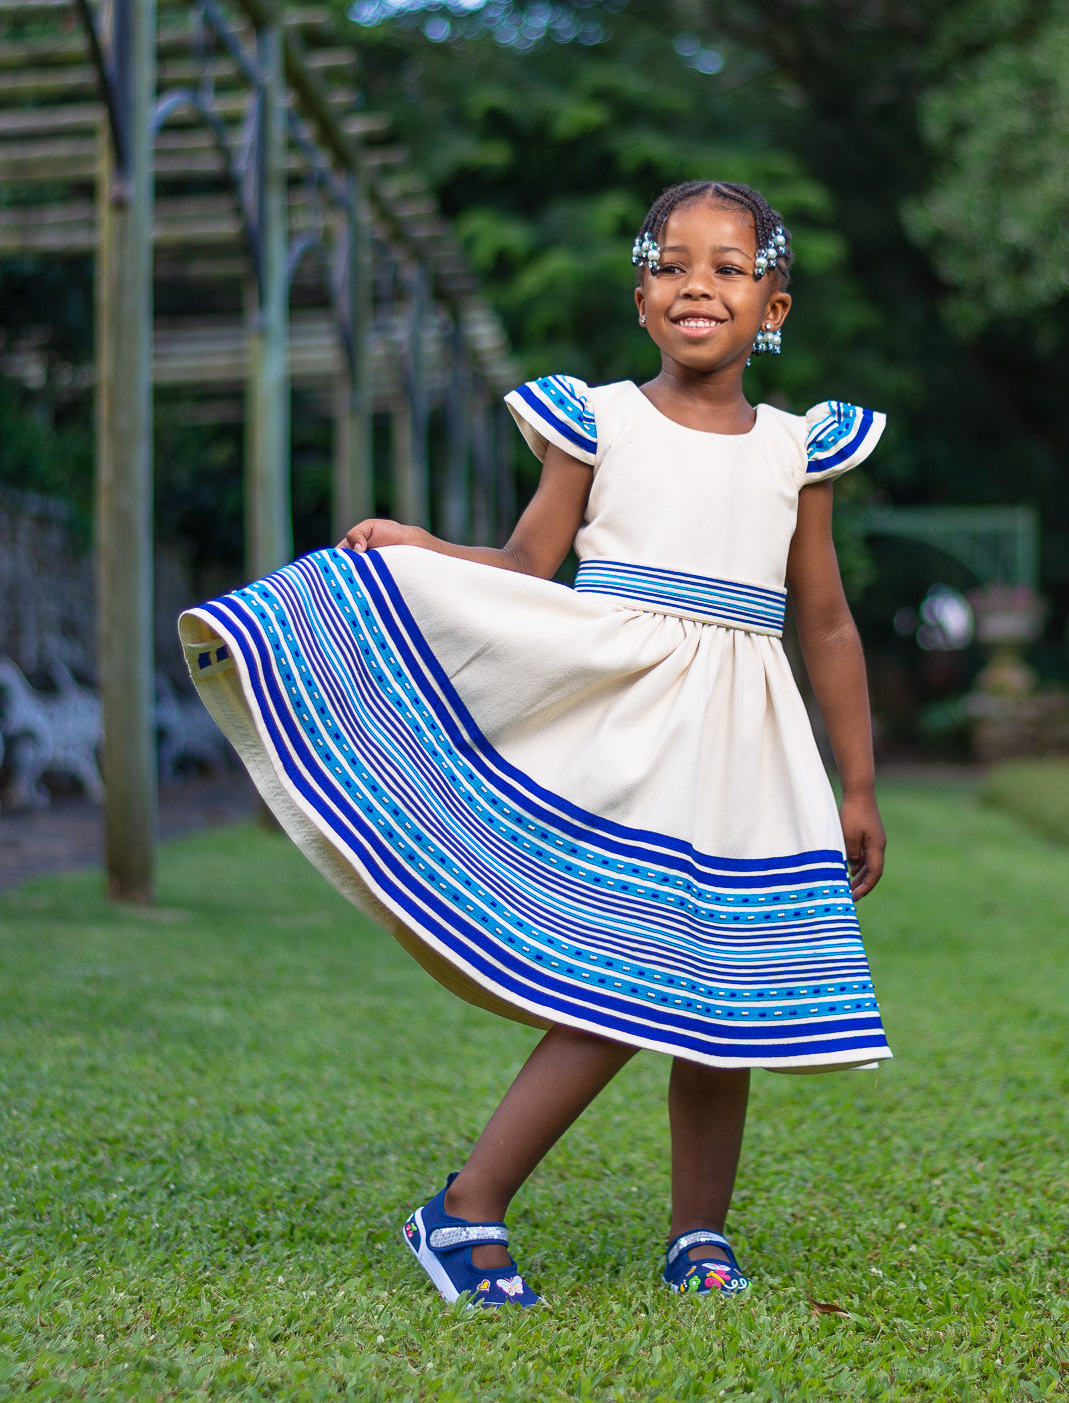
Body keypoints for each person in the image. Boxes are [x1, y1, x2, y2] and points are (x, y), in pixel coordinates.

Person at [180, 179, 890, 1309]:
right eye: (670, 263)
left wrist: (856, 782)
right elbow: (524, 568)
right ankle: (464, 1208)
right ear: (642, 293)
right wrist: (418, 546)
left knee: (728, 1005)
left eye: (728, 265)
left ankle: (699, 1235)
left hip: (746, 748)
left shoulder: (797, 452)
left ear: (776, 306)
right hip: (628, 735)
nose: (697, 283)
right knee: (623, 984)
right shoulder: (598, 420)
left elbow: (828, 624)